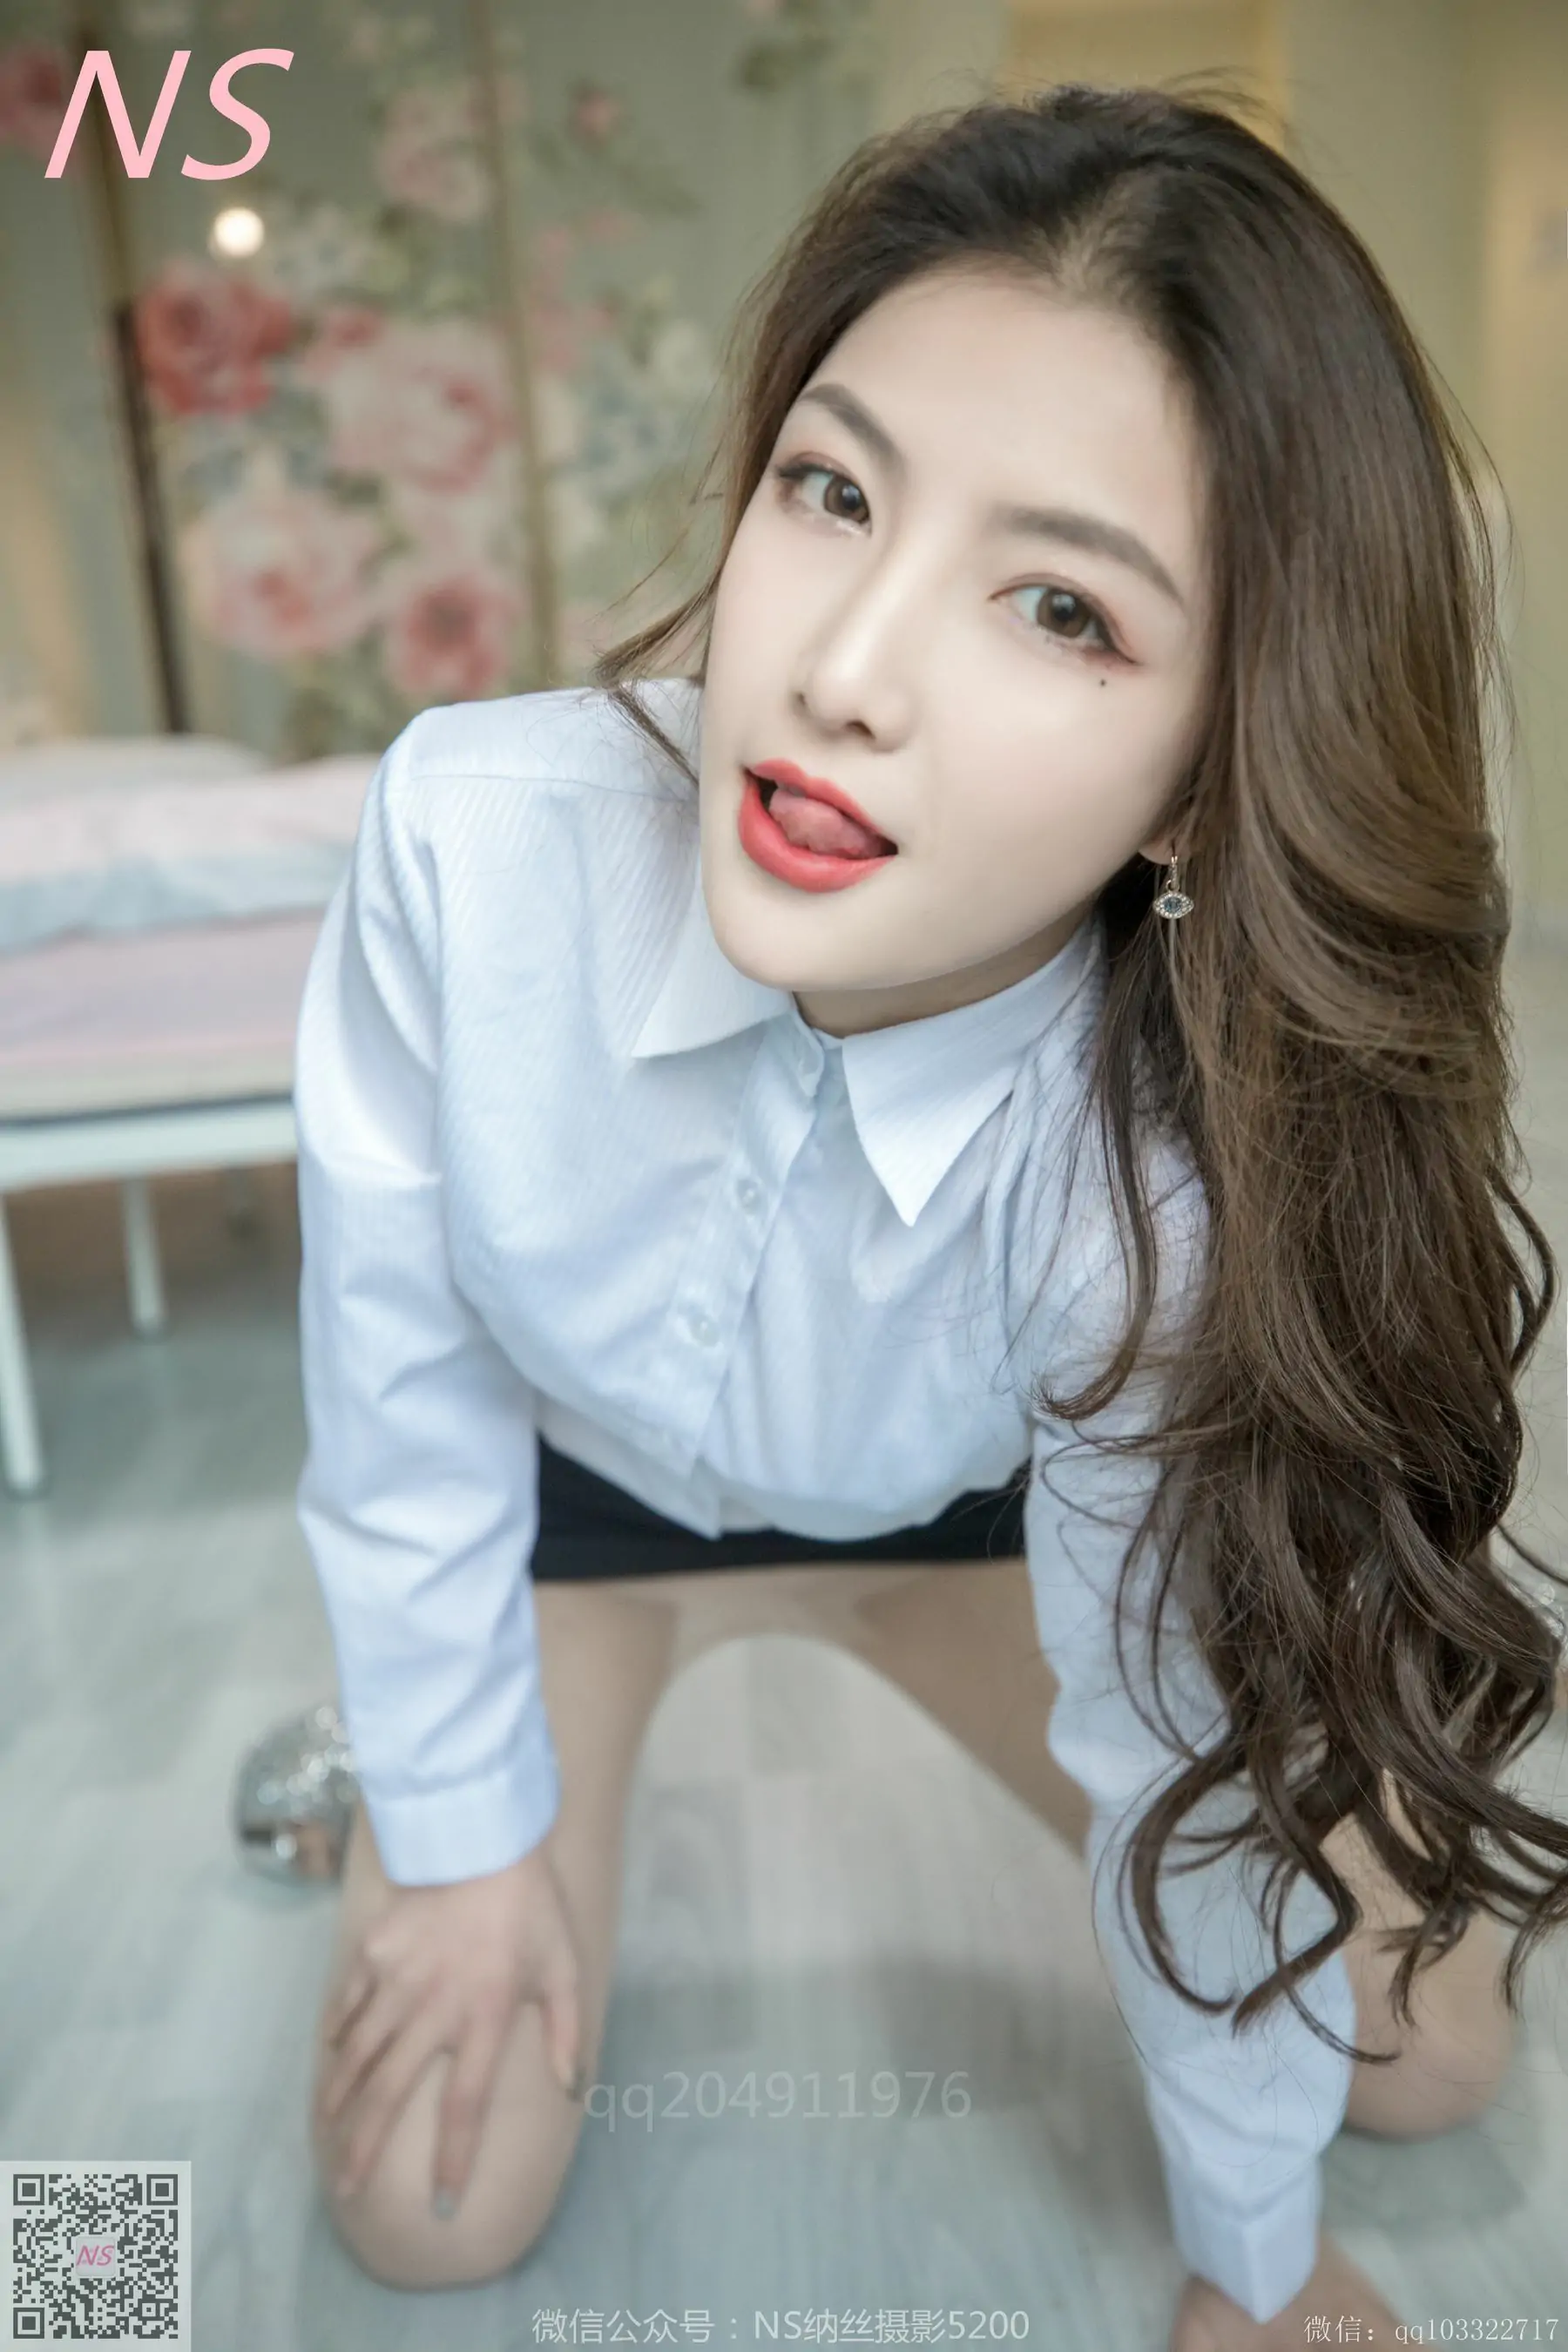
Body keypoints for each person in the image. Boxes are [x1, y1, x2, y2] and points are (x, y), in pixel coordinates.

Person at [294, 83, 1567, 2352]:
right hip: (567, 1522)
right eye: (835, 489)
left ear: (1206, 775)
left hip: (960, 1534)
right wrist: (461, 1836)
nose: (843, 669)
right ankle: (457, 1745)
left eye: (1061, 606)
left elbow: (1175, 1737)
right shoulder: (470, 848)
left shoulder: (1162, 1174)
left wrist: (1252, 2264)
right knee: (431, 2201)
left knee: (1433, 2047)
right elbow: (401, 1408)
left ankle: (780, 1653)